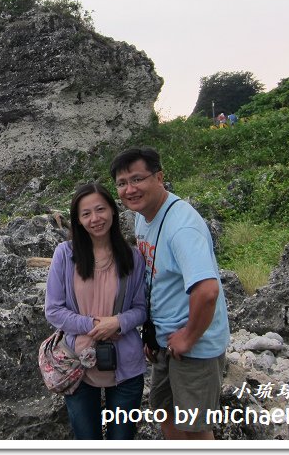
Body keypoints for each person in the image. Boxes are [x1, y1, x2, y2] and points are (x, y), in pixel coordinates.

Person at [110, 148, 230, 440]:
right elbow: (158, 279)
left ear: (159, 177)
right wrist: (152, 334)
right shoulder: (143, 217)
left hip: (194, 348)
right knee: (165, 414)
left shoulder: (182, 227)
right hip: (166, 341)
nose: (130, 189)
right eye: (122, 183)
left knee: (196, 429)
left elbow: (207, 290)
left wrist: (188, 336)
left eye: (137, 179)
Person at [44, 183, 147, 439]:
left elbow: (142, 309)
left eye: (100, 209)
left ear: (113, 211)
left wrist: (119, 322)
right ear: (77, 221)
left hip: (126, 365)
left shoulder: (132, 257)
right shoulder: (65, 254)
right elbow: (53, 310)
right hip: (78, 365)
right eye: (86, 213)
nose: (95, 218)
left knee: (122, 440)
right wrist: (94, 324)